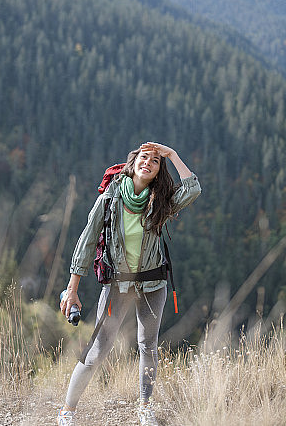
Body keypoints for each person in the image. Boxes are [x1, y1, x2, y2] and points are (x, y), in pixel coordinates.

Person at [57, 142, 201, 426]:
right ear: (133, 163)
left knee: (148, 346)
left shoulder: (161, 201)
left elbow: (193, 189)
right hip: (117, 287)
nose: (149, 162)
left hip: (152, 284)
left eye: (155, 161)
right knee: (98, 349)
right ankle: (67, 411)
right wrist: (72, 289)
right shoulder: (109, 200)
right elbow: (86, 243)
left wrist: (172, 155)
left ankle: (145, 407)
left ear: (159, 171)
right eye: (144, 158)